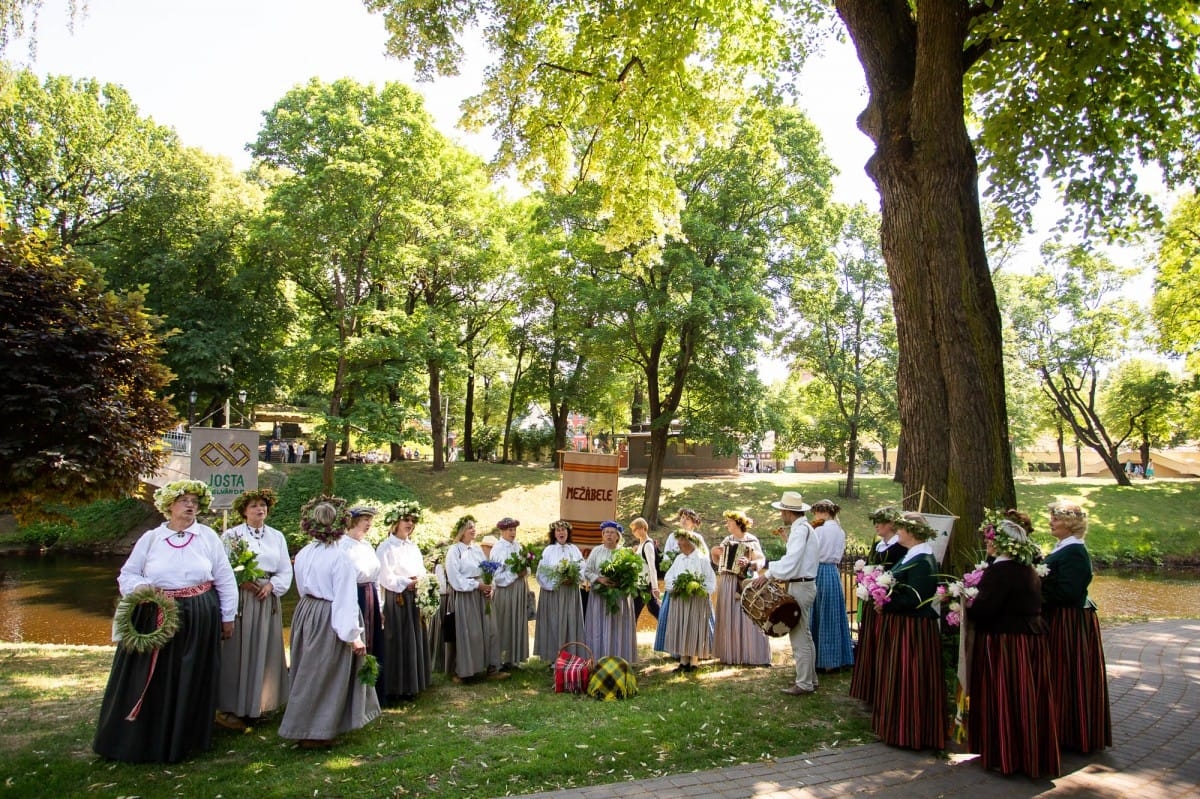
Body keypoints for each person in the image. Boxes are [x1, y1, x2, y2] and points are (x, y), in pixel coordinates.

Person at [93, 480, 238, 763]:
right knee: (151, 675)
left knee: (190, 673)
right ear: (169, 506)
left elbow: (224, 578)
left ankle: (185, 737)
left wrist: (227, 616)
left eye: (195, 501)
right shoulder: (150, 539)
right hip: (154, 614)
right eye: (184, 500)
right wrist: (147, 589)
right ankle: (142, 737)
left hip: (199, 614)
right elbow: (127, 575)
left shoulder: (208, 537)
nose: (190, 505)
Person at [279, 496, 380, 748]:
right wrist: (353, 636)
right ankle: (316, 731)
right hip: (329, 614)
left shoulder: (304, 553)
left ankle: (306, 726)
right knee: (325, 672)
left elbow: (302, 587)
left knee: (306, 669)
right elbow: (344, 600)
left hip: (307, 611)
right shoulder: (341, 558)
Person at [967, 513, 1060, 777]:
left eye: (990, 540)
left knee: (1005, 696)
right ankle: (1030, 751)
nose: (987, 544)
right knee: (1027, 697)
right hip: (1030, 639)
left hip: (1006, 643)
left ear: (1001, 543)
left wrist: (967, 607)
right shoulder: (1026, 568)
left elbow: (986, 609)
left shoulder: (1000, 571)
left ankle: (1005, 753)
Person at [216, 488, 293, 731]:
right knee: (239, 649)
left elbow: (284, 569)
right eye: (254, 506)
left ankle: (260, 703)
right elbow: (223, 566)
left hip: (266, 598)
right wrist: (242, 582)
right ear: (244, 511)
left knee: (265, 648)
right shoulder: (231, 535)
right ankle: (231, 707)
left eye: (263, 505)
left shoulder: (277, 536)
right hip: (242, 598)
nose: (260, 509)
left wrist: (272, 585)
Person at [1042, 500, 1112, 753]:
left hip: (1069, 621)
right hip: (1063, 619)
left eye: (1056, 519)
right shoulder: (1064, 548)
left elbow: (1070, 592)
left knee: (1069, 673)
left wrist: (1040, 592)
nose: (1051, 522)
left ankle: (1072, 731)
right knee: (1062, 673)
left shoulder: (1074, 552)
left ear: (1070, 524)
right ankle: (1062, 728)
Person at [872, 512, 945, 750]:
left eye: (901, 528)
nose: (897, 532)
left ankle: (908, 730)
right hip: (902, 626)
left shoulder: (923, 560)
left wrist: (887, 602)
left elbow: (916, 598)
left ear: (912, 532)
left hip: (912, 630)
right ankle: (895, 728)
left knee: (908, 678)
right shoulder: (912, 555)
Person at [750, 491, 819, 696]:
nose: (780, 513)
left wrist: (769, 574)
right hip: (801, 584)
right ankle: (810, 679)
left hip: (801, 586)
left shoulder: (801, 530)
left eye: (782, 510)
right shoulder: (802, 529)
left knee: (799, 637)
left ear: (789, 512)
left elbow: (792, 561)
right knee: (804, 634)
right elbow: (795, 556)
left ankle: (804, 683)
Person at [375, 500, 432, 704]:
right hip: (397, 598)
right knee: (397, 639)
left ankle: (413, 683)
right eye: (405, 520)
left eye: (412, 520)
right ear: (395, 523)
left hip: (414, 596)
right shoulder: (386, 547)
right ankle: (396, 686)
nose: (409, 523)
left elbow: (421, 569)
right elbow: (385, 577)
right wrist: (406, 583)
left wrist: (421, 581)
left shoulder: (413, 546)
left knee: (414, 637)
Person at [848, 506, 906, 704]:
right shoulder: (879, 544)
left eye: (880, 522)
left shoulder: (900, 547)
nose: (876, 526)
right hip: (873, 596)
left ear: (891, 524)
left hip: (886, 599)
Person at [444, 515, 508, 681]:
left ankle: (492, 668)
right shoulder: (455, 551)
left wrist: (490, 586)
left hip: (482, 594)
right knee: (470, 633)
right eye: (469, 527)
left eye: (474, 527)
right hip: (466, 596)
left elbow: (486, 569)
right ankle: (464, 671)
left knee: (490, 630)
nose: (473, 530)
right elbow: (455, 578)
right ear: (462, 532)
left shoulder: (477, 549)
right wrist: (476, 586)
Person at [710, 510, 770, 666]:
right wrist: (715, 553)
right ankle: (732, 654)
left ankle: (753, 654)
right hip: (728, 580)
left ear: (738, 523)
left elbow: (761, 560)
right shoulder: (727, 540)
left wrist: (749, 562)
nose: (727, 525)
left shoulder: (751, 540)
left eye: (729, 522)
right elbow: (719, 563)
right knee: (730, 615)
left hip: (747, 581)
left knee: (750, 616)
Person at [340, 506, 384, 703]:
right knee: (357, 639)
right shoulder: (342, 545)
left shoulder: (367, 546)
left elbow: (375, 577)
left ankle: (372, 690)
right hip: (353, 594)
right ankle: (353, 693)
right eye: (365, 519)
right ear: (353, 521)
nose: (369, 524)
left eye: (370, 520)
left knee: (373, 639)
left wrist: (380, 606)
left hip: (370, 595)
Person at [654, 508, 709, 654]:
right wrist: (674, 563)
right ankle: (675, 649)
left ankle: (695, 649)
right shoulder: (673, 536)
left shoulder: (698, 538)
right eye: (682, 517)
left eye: (688, 518)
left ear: (694, 523)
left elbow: (705, 557)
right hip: (677, 576)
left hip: (694, 580)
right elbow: (666, 556)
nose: (684, 520)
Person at [808, 499, 854, 672]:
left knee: (820, 613)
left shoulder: (820, 529)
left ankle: (820, 659)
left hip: (820, 570)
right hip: (833, 573)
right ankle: (835, 659)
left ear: (825, 513)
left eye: (817, 513)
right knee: (833, 613)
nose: (815, 517)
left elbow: (811, 551)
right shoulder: (840, 531)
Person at [583, 520, 638, 662]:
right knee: (599, 627)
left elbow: (632, 574)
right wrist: (599, 579)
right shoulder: (596, 551)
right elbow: (587, 571)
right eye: (606, 532)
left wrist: (621, 581)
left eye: (612, 532)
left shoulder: (624, 552)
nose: (609, 535)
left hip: (619, 597)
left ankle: (620, 659)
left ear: (617, 536)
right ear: (602, 535)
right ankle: (598, 658)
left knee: (618, 627)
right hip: (600, 596)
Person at [533, 520, 586, 662]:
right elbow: (541, 573)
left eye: (563, 530)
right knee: (555, 623)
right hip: (554, 593)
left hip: (570, 593)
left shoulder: (574, 549)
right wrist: (557, 581)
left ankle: (571, 655)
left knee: (570, 622)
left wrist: (573, 578)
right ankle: (554, 657)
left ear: (568, 532)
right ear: (554, 534)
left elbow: (582, 568)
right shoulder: (549, 550)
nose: (561, 532)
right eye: (558, 530)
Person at [663, 530, 716, 672]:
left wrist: (698, 589)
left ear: (689, 542)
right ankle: (683, 660)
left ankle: (694, 660)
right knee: (681, 626)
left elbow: (711, 580)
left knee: (694, 627)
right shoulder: (679, 559)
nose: (678, 544)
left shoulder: (702, 559)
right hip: (681, 599)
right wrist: (676, 586)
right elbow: (669, 577)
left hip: (696, 601)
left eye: (680, 540)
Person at [489, 517, 531, 670]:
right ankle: (499, 659)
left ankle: (513, 659)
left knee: (517, 621)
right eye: (509, 530)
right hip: (506, 590)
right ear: (502, 531)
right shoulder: (498, 549)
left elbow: (526, 566)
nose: (513, 533)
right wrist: (515, 574)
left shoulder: (518, 546)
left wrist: (525, 571)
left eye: (514, 529)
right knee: (504, 622)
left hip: (519, 589)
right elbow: (497, 576)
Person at [629, 517, 662, 623]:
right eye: (633, 530)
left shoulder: (648, 545)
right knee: (653, 609)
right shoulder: (641, 545)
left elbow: (652, 567)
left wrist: (655, 587)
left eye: (636, 529)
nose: (634, 532)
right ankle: (666, 626)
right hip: (640, 584)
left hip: (644, 585)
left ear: (643, 528)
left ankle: (667, 627)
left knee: (634, 613)